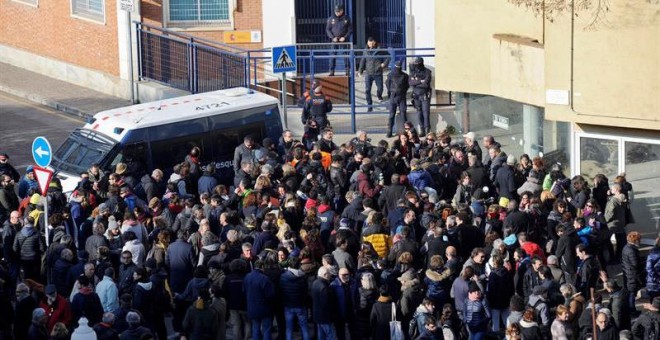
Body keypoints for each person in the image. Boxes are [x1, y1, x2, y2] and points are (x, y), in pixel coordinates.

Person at [359, 36, 389, 111]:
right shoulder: (365, 50)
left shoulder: (380, 49)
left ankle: (379, 95)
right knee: (367, 90)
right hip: (368, 73)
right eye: (369, 44)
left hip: (378, 72)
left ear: (374, 42)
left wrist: (384, 64)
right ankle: (369, 105)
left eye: (371, 44)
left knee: (380, 88)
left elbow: (388, 56)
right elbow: (362, 60)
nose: (370, 45)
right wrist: (360, 71)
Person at [326, 3, 352, 76]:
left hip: (344, 40)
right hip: (334, 40)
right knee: (332, 55)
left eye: (338, 11)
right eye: (336, 11)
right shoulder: (331, 19)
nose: (337, 13)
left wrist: (345, 37)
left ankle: (347, 71)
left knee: (346, 56)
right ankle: (331, 72)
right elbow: (328, 30)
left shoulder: (347, 18)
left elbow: (350, 30)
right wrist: (332, 37)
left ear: (342, 11)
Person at [385, 60, 410, 137]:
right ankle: (404, 131)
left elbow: (387, 84)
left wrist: (391, 91)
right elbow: (407, 86)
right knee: (403, 114)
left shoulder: (390, 75)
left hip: (394, 95)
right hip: (401, 96)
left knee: (392, 114)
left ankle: (389, 131)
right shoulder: (405, 75)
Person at [409, 57, 432, 136]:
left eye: (418, 63)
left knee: (426, 113)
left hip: (425, 95)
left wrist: (416, 82)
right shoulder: (413, 72)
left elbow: (426, 84)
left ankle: (427, 129)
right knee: (419, 112)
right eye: (415, 64)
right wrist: (420, 81)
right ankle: (421, 129)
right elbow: (411, 83)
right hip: (416, 95)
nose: (416, 65)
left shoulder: (427, 72)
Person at [622, 231, 644, 314]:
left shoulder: (626, 247)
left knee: (630, 293)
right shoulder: (631, 251)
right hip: (632, 276)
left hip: (628, 273)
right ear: (635, 241)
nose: (640, 241)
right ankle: (632, 311)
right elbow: (635, 264)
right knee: (631, 294)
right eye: (639, 240)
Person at [312, 266, 337, 340]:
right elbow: (326, 304)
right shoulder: (324, 287)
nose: (330, 275)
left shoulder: (315, 282)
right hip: (325, 317)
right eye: (329, 273)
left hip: (317, 315)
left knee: (321, 335)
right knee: (331, 335)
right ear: (325, 274)